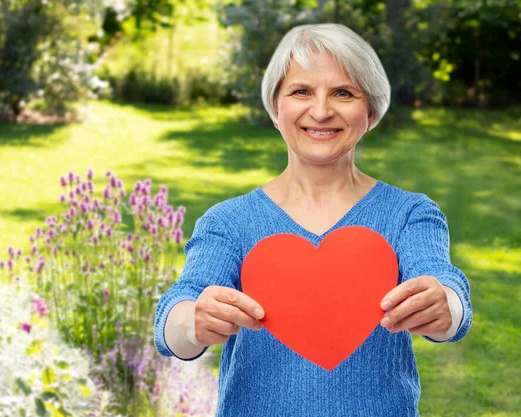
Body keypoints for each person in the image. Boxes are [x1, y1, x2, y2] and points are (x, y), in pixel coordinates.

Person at [154, 23, 472, 416]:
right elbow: (177, 311)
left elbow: (444, 286)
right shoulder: (230, 222)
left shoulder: (409, 214)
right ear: (275, 108)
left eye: (343, 92)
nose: (321, 111)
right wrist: (192, 323)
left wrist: (447, 308)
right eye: (301, 91)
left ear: (370, 111)